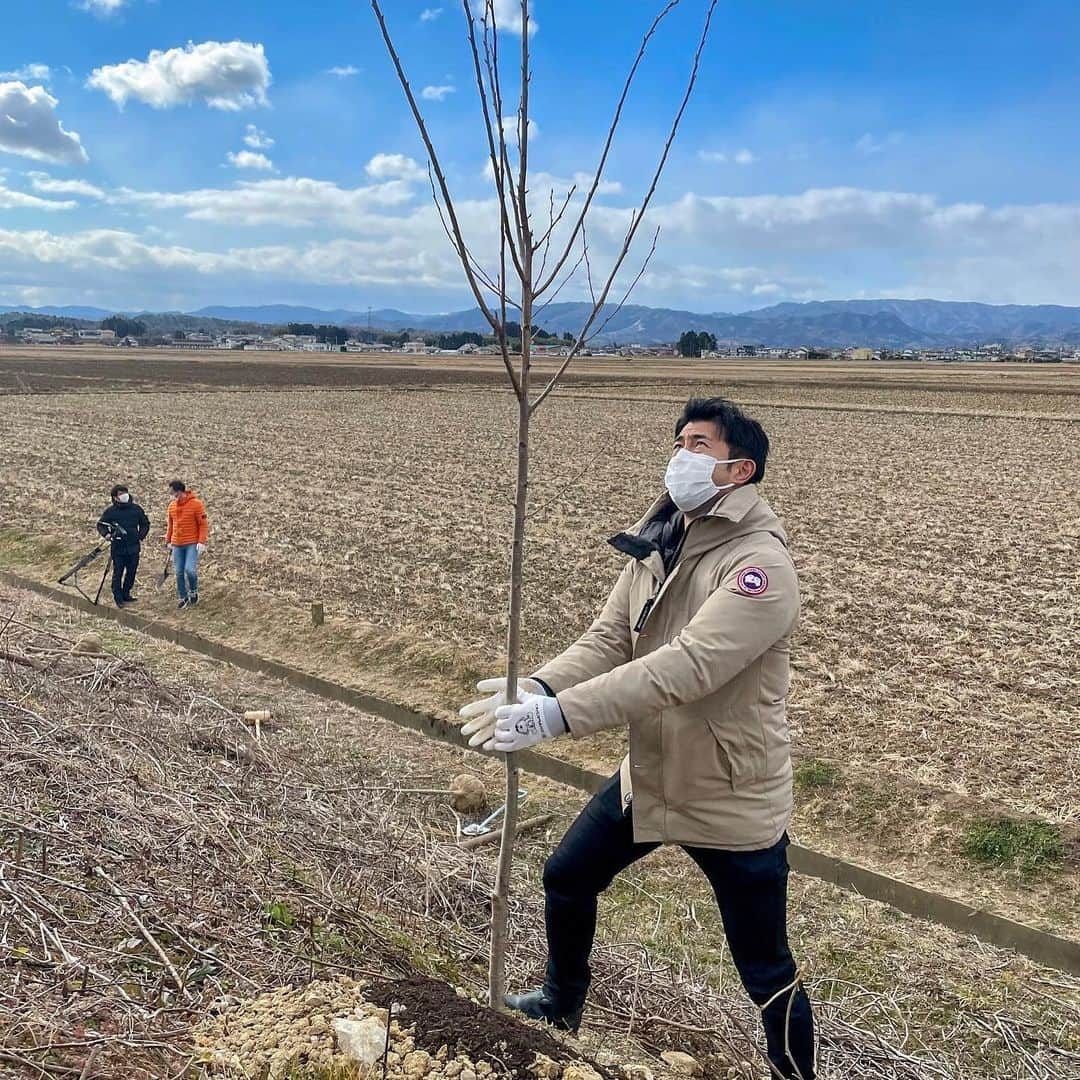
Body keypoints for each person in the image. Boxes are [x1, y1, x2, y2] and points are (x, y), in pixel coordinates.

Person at [459, 397, 815, 1080]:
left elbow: (685, 668)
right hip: (650, 773)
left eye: (699, 445)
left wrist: (560, 718)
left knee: (764, 965)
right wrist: (539, 687)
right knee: (566, 877)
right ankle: (562, 1004)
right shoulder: (662, 541)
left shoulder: (759, 568)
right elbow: (608, 640)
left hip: (728, 792)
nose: (681, 455)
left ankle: (794, 1073)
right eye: (679, 440)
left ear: (740, 470)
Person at [96, 484, 150, 608]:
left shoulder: (136, 509)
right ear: (115, 497)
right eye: (120, 494)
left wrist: (140, 536)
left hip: (133, 546)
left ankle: (126, 593)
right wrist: (107, 535)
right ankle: (118, 597)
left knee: (131, 572)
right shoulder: (111, 511)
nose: (124, 496)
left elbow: (145, 524)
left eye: (124, 493)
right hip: (118, 547)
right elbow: (101, 524)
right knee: (118, 572)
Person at [164, 479, 209, 610]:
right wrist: (168, 541)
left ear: (180, 492)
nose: (172, 496)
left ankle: (193, 590)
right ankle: (183, 596)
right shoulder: (172, 506)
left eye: (174, 493)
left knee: (189, 569)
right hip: (177, 543)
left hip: (191, 543)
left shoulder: (196, 504)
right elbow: (171, 525)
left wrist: (201, 541)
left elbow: (203, 524)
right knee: (178, 572)